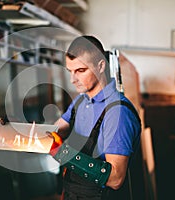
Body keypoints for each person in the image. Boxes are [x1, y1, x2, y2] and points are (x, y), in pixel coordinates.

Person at [49, 35, 142, 200]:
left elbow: (116, 179)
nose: (73, 79)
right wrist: (26, 133)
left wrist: (61, 152)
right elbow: (58, 129)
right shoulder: (81, 100)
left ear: (100, 66)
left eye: (80, 71)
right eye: (70, 71)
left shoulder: (117, 112)